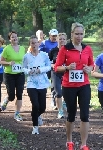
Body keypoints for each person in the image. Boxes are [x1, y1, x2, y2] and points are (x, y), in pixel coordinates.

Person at [54, 22, 94, 150]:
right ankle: (69, 141)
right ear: (72, 34)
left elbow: (92, 64)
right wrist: (66, 67)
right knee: (71, 114)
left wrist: (89, 68)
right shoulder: (64, 49)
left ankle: (83, 144)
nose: (79, 36)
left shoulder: (87, 48)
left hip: (84, 85)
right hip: (69, 86)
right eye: (76, 34)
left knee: (85, 115)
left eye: (81, 34)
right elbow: (56, 68)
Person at [23, 35, 51, 134]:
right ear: (30, 44)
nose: (34, 45)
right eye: (32, 43)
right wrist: (29, 71)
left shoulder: (44, 55)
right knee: (35, 105)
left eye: (36, 42)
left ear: (39, 43)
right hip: (31, 84)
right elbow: (23, 68)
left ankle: (38, 115)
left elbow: (49, 67)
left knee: (42, 107)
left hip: (42, 83)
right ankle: (35, 127)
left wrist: (41, 70)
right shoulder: (26, 56)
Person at [0, 31, 25, 121]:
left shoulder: (22, 48)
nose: (15, 38)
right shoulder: (7, 49)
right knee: (11, 96)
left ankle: (17, 113)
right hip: (9, 74)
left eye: (16, 37)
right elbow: (1, 61)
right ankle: (7, 100)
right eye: (12, 37)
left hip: (20, 74)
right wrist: (9, 63)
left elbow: (24, 60)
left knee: (19, 94)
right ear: (10, 39)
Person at [49, 33, 67, 119]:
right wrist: (53, 65)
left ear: (66, 40)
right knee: (58, 92)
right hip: (55, 73)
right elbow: (48, 62)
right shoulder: (53, 50)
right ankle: (60, 111)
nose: (62, 41)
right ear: (57, 40)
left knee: (66, 92)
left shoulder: (69, 51)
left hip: (66, 73)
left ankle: (64, 103)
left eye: (63, 39)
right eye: (60, 39)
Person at [39, 29, 58, 109]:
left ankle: (53, 100)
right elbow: (39, 52)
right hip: (45, 66)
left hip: (54, 66)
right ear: (49, 35)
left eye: (55, 36)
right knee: (44, 82)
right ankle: (41, 98)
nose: (54, 37)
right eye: (53, 36)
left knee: (54, 83)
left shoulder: (58, 43)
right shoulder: (44, 43)